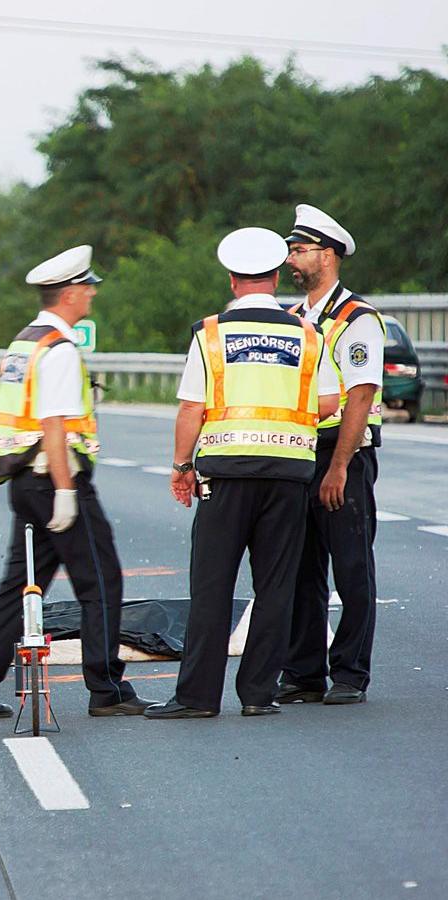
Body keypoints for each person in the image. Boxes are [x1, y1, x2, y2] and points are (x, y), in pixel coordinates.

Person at [146, 228, 340, 719]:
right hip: (289, 474)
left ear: (233, 280)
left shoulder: (210, 334)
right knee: (275, 586)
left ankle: (196, 697)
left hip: (225, 476)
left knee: (212, 585)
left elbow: (192, 408)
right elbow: (330, 401)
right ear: (275, 279)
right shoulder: (309, 334)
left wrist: (181, 466)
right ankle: (258, 694)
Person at [0, 245, 150, 720]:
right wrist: (66, 491)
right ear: (70, 293)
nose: (93, 293)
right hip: (54, 479)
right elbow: (54, 423)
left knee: (19, 588)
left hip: (23, 479)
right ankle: (106, 688)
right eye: (88, 286)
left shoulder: (25, 342)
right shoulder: (58, 349)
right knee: (101, 581)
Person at [278, 204, 384, 706]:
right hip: (300, 452)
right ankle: (303, 674)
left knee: (351, 565)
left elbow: (360, 396)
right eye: (291, 250)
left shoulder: (357, 319)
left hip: (344, 452)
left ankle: (349, 673)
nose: (291, 260)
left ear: (330, 254)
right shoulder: (293, 318)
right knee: (302, 567)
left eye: (299, 251)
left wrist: (339, 466)